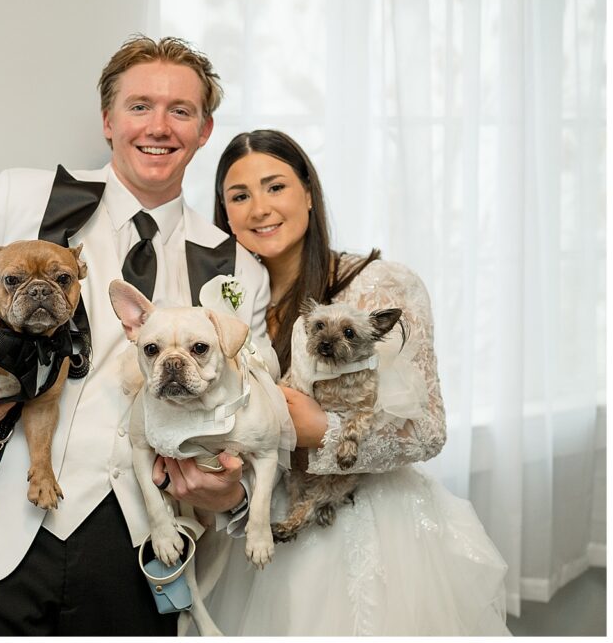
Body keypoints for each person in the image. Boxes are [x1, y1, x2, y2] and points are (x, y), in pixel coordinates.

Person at [0, 36, 262, 636]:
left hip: (138, 550)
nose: (158, 126)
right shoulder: (26, 197)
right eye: (139, 106)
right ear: (107, 120)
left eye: (180, 110)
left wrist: (229, 494)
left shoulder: (237, 269)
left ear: (204, 130)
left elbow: (254, 417)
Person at [202, 129, 510, 635]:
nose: (259, 208)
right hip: (264, 526)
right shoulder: (228, 301)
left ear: (308, 192)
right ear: (225, 212)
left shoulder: (378, 285)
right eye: (240, 196)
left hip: (373, 531)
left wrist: (323, 430)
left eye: (275, 186)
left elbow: (428, 430)